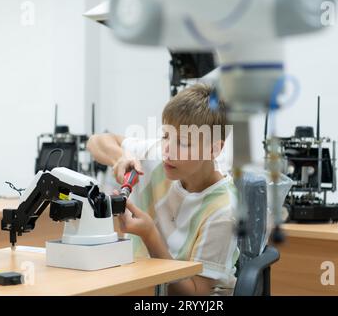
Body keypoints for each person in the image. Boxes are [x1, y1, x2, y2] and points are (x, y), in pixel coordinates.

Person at [87, 83, 238, 295]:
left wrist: (150, 235)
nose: (167, 150)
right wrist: (120, 158)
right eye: (166, 136)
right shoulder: (158, 156)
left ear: (214, 148)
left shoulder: (224, 210)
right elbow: (96, 142)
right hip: (138, 287)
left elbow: (194, 296)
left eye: (183, 143)